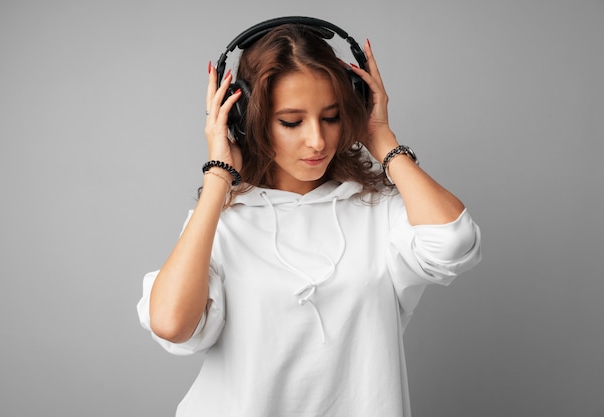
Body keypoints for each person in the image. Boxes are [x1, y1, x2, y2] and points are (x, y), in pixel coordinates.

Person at [137, 17, 481, 417]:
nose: (317, 140)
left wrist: (381, 136)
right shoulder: (221, 222)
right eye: (291, 122)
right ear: (246, 119)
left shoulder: (381, 211)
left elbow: (456, 242)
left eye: (332, 117)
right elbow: (171, 323)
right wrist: (218, 176)